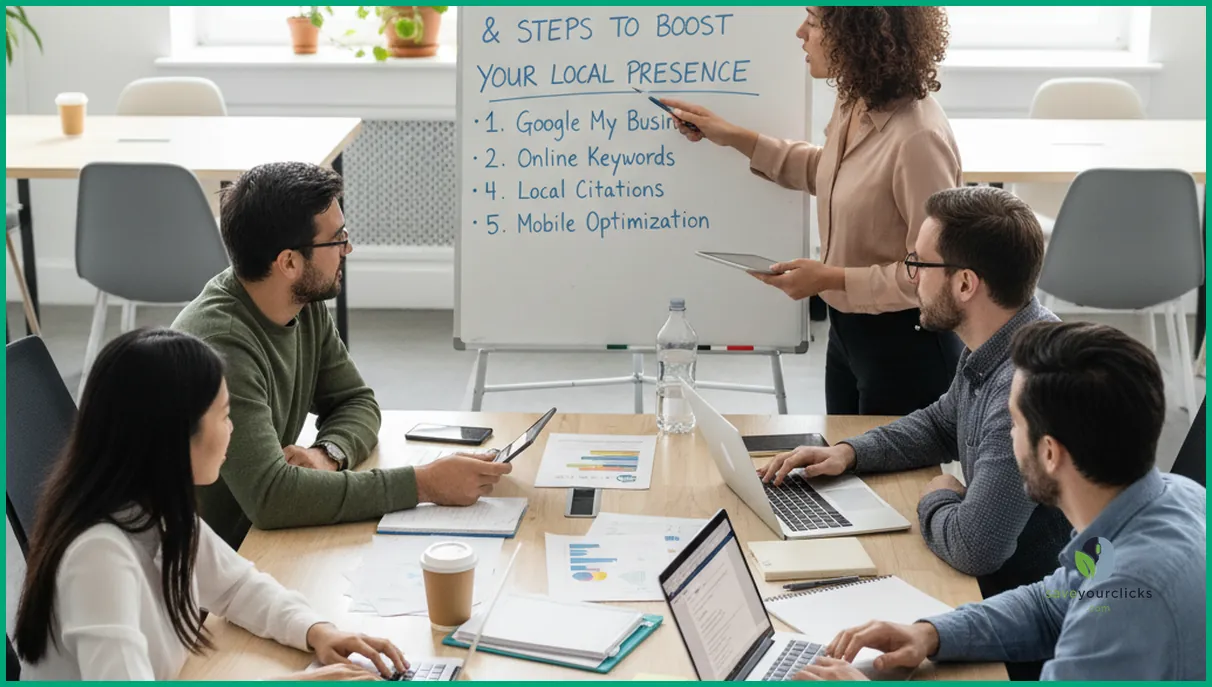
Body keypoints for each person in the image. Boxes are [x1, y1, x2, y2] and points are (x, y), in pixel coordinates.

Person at [792, 321, 1206, 682]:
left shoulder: (1126, 605)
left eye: (1015, 423)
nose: (1009, 437)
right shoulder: (1174, 496)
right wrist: (931, 634)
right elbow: (1052, 605)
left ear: (1049, 453)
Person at [14, 329, 407, 680]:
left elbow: (236, 587)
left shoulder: (157, 509)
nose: (232, 429)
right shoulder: (98, 555)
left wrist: (318, 631)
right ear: (173, 437)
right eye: (223, 415)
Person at [172, 162, 511, 549]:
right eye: (337, 239)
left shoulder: (299, 300)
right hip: (195, 567)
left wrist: (326, 455)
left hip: (249, 542)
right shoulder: (222, 346)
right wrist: (424, 484)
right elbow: (272, 499)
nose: (348, 248)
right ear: (289, 263)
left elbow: (356, 401)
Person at [761, 186, 1071, 609]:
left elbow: (975, 548)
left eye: (919, 264)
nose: (912, 277)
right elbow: (942, 423)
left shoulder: (1022, 388)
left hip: (1024, 612)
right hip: (1002, 590)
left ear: (965, 284)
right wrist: (848, 453)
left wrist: (937, 495)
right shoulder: (1002, 340)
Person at [664, 6, 964, 416]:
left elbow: (937, 273)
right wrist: (733, 137)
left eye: (814, 21)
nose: (800, 32)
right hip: (847, 333)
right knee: (844, 471)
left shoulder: (919, 138)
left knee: (890, 480)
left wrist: (830, 277)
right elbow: (830, 172)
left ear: (856, 33)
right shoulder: (857, 99)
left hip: (904, 346)